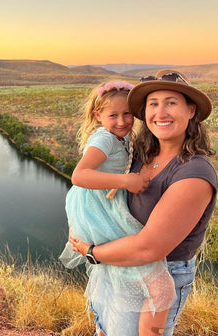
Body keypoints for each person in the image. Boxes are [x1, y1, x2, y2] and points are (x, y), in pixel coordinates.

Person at [70, 70, 218, 336]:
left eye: (171, 102)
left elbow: (149, 249)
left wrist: (92, 252)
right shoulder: (138, 153)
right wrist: (82, 225)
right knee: (104, 328)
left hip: (157, 271)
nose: (160, 112)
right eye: (153, 104)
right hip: (117, 265)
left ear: (191, 110)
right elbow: (92, 188)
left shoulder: (194, 172)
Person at [59, 80, 176, 336]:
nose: (122, 121)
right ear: (97, 115)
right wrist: (126, 181)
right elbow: (79, 176)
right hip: (99, 210)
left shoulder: (120, 138)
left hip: (102, 207)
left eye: (127, 114)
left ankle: (106, 327)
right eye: (113, 115)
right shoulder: (105, 138)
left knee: (117, 273)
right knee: (157, 284)